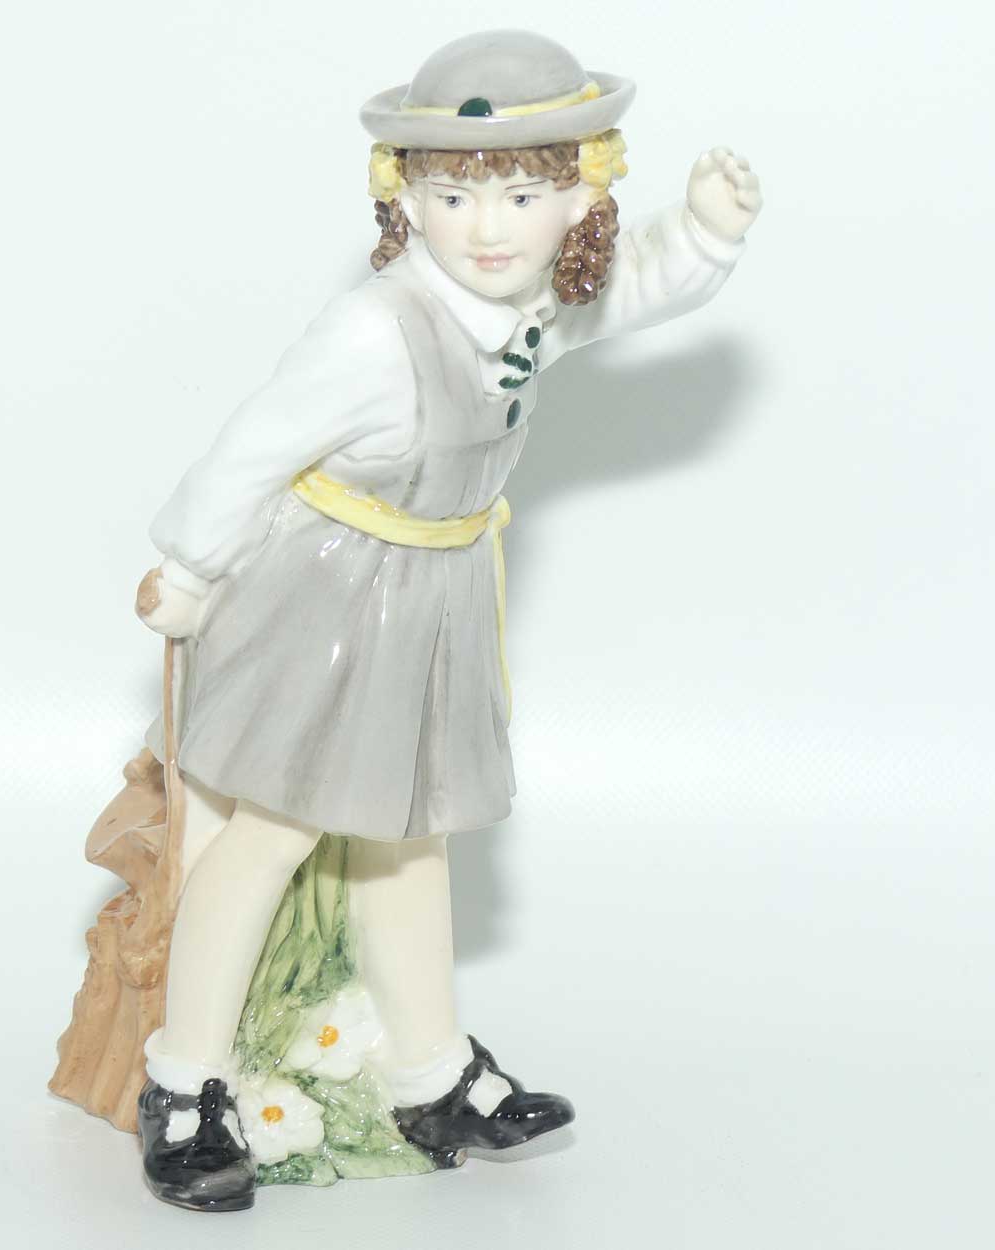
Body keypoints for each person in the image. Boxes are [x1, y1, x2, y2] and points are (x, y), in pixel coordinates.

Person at [131, 29, 762, 1211]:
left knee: (411, 834)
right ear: (405, 198)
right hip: (327, 593)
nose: (488, 228)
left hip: (438, 589)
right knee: (269, 830)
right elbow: (254, 446)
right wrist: (190, 567)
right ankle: (184, 1081)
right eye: (456, 195)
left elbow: (627, 290)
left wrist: (705, 233)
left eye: (523, 195)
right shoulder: (374, 328)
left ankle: (430, 1072)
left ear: (578, 197)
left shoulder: (534, 303)